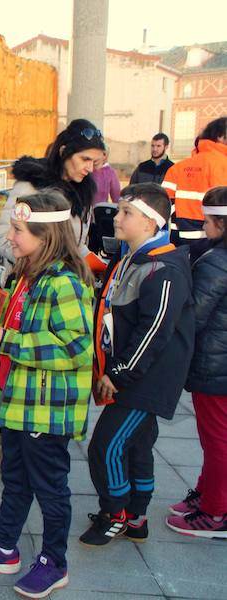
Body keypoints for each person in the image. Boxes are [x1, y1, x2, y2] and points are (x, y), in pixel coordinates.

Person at [0, 190, 94, 600]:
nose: (10, 237)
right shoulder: (24, 274)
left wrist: (8, 341)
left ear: (44, 234)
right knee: (15, 479)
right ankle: (3, 547)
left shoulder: (64, 282)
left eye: (17, 230)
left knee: (50, 487)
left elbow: (76, 346)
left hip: (46, 410)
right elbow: (7, 322)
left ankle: (55, 562)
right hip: (18, 399)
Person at [80, 183, 194, 546]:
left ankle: (114, 512)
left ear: (150, 222)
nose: (118, 217)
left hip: (146, 379)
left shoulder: (164, 269)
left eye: (127, 212)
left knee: (107, 445)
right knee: (138, 445)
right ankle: (136, 516)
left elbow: (155, 330)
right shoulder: (131, 256)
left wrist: (120, 373)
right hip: (133, 372)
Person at [166, 186, 227, 539]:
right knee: (216, 437)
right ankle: (207, 493)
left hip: (216, 364)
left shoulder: (218, 261)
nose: (203, 227)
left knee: (216, 438)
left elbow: (195, 314)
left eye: (208, 221)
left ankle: (216, 512)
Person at [0, 119, 106, 286]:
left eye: (95, 162)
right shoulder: (31, 186)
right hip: (28, 286)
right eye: (85, 159)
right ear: (64, 151)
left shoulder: (82, 192)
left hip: (66, 284)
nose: (90, 168)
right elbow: (4, 239)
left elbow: (74, 242)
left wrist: (93, 262)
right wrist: (47, 265)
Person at [162, 117, 227, 245]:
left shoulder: (177, 167)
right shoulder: (223, 165)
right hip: (213, 239)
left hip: (178, 239)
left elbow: (163, 203)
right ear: (220, 136)